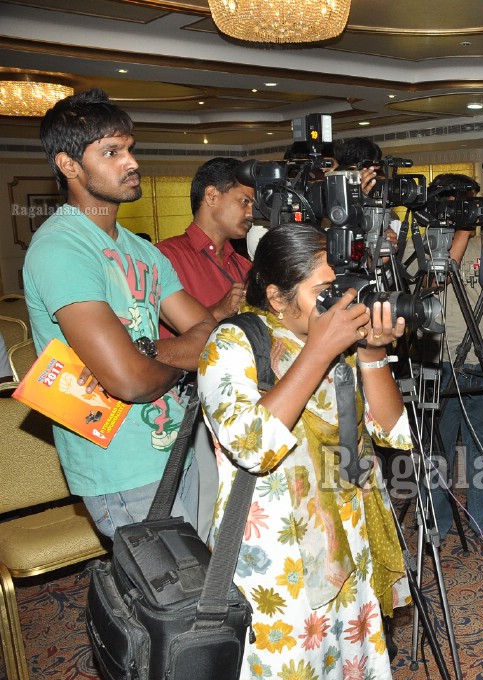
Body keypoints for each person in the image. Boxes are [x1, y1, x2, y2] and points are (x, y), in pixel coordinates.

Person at [197, 223, 412, 678]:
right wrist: (319, 349)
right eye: (323, 291)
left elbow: (394, 432)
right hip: (277, 553)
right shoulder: (233, 343)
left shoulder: (337, 343)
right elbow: (253, 446)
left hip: (347, 537)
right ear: (277, 296)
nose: (337, 303)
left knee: (347, 660)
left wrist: (372, 353)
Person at [25, 88, 217, 537]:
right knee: (173, 600)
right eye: (112, 152)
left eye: (130, 149)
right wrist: (183, 361)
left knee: (206, 590)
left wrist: (150, 353)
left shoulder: (141, 251)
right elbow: (129, 381)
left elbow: (212, 331)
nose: (131, 162)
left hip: (179, 446)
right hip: (121, 467)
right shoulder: (61, 247)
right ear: (69, 165)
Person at [423, 173, 483, 545]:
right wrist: (460, 234)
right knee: (439, 450)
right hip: (439, 361)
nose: (473, 211)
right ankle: (439, 523)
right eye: (466, 203)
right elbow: (430, 290)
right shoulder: (422, 243)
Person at [156, 157, 254, 332]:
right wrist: (218, 312)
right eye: (245, 201)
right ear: (212, 196)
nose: (251, 213)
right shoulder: (163, 258)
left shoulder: (245, 267)